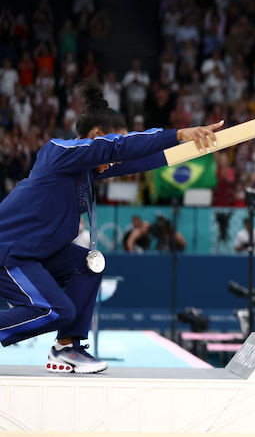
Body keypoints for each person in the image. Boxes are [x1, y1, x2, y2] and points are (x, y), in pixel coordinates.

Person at [0, 82, 222, 373]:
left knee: (88, 265)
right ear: (97, 136)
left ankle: (67, 347)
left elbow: (141, 160)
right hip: (9, 252)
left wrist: (191, 146)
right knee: (56, 310)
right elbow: (121, 147)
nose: (116, 161)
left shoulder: (86, 169)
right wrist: (179, 131)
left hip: (34, 253)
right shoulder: (59, 152)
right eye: (114, 146)